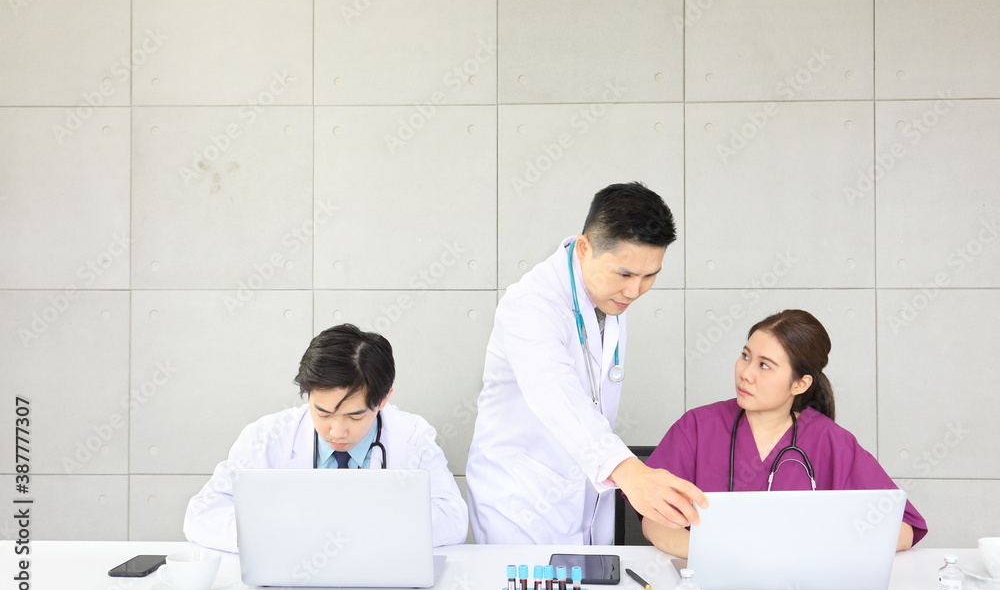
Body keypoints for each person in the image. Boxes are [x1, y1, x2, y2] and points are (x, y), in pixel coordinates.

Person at [466, 182, 707, 545]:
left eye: (650, 276)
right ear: (584, 248)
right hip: (523, 502)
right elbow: (553, 390)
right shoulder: (531, 304)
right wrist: (628, 471)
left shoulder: (608, 296)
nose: (635, 291)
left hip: (585, 491)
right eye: (625, 274)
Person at [641, 309, 928, 557]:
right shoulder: (698, 427)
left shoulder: (831, 442)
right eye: (745, 356)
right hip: (707, 584)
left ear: (800, 384)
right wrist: (725, 555)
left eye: (765, 365)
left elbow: (904, 527)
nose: (746, 373)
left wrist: (819, 551)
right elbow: (653, 521)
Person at [184, 324, 468, 551]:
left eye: (355, 416)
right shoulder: (267, 436)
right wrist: (275, 533)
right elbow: (202, 515)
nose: (337, 431)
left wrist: (366, 527)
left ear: (383, 399)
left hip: (375, 581)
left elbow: (453, 520)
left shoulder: (412, 437)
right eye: (322, 413)